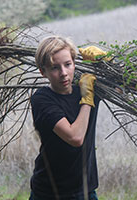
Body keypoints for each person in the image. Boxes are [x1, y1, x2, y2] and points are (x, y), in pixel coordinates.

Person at [29, 35, 102, 200]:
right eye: (55, 68)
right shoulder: (42, 99)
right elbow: (75, 137)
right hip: (50, 193)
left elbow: (127, 86)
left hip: (86, 191)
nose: (63, 73)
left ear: (74, 63)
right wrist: (87, 99)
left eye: (68, 64)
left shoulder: (85, 86)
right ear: (43, 72)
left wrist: (106, 62)